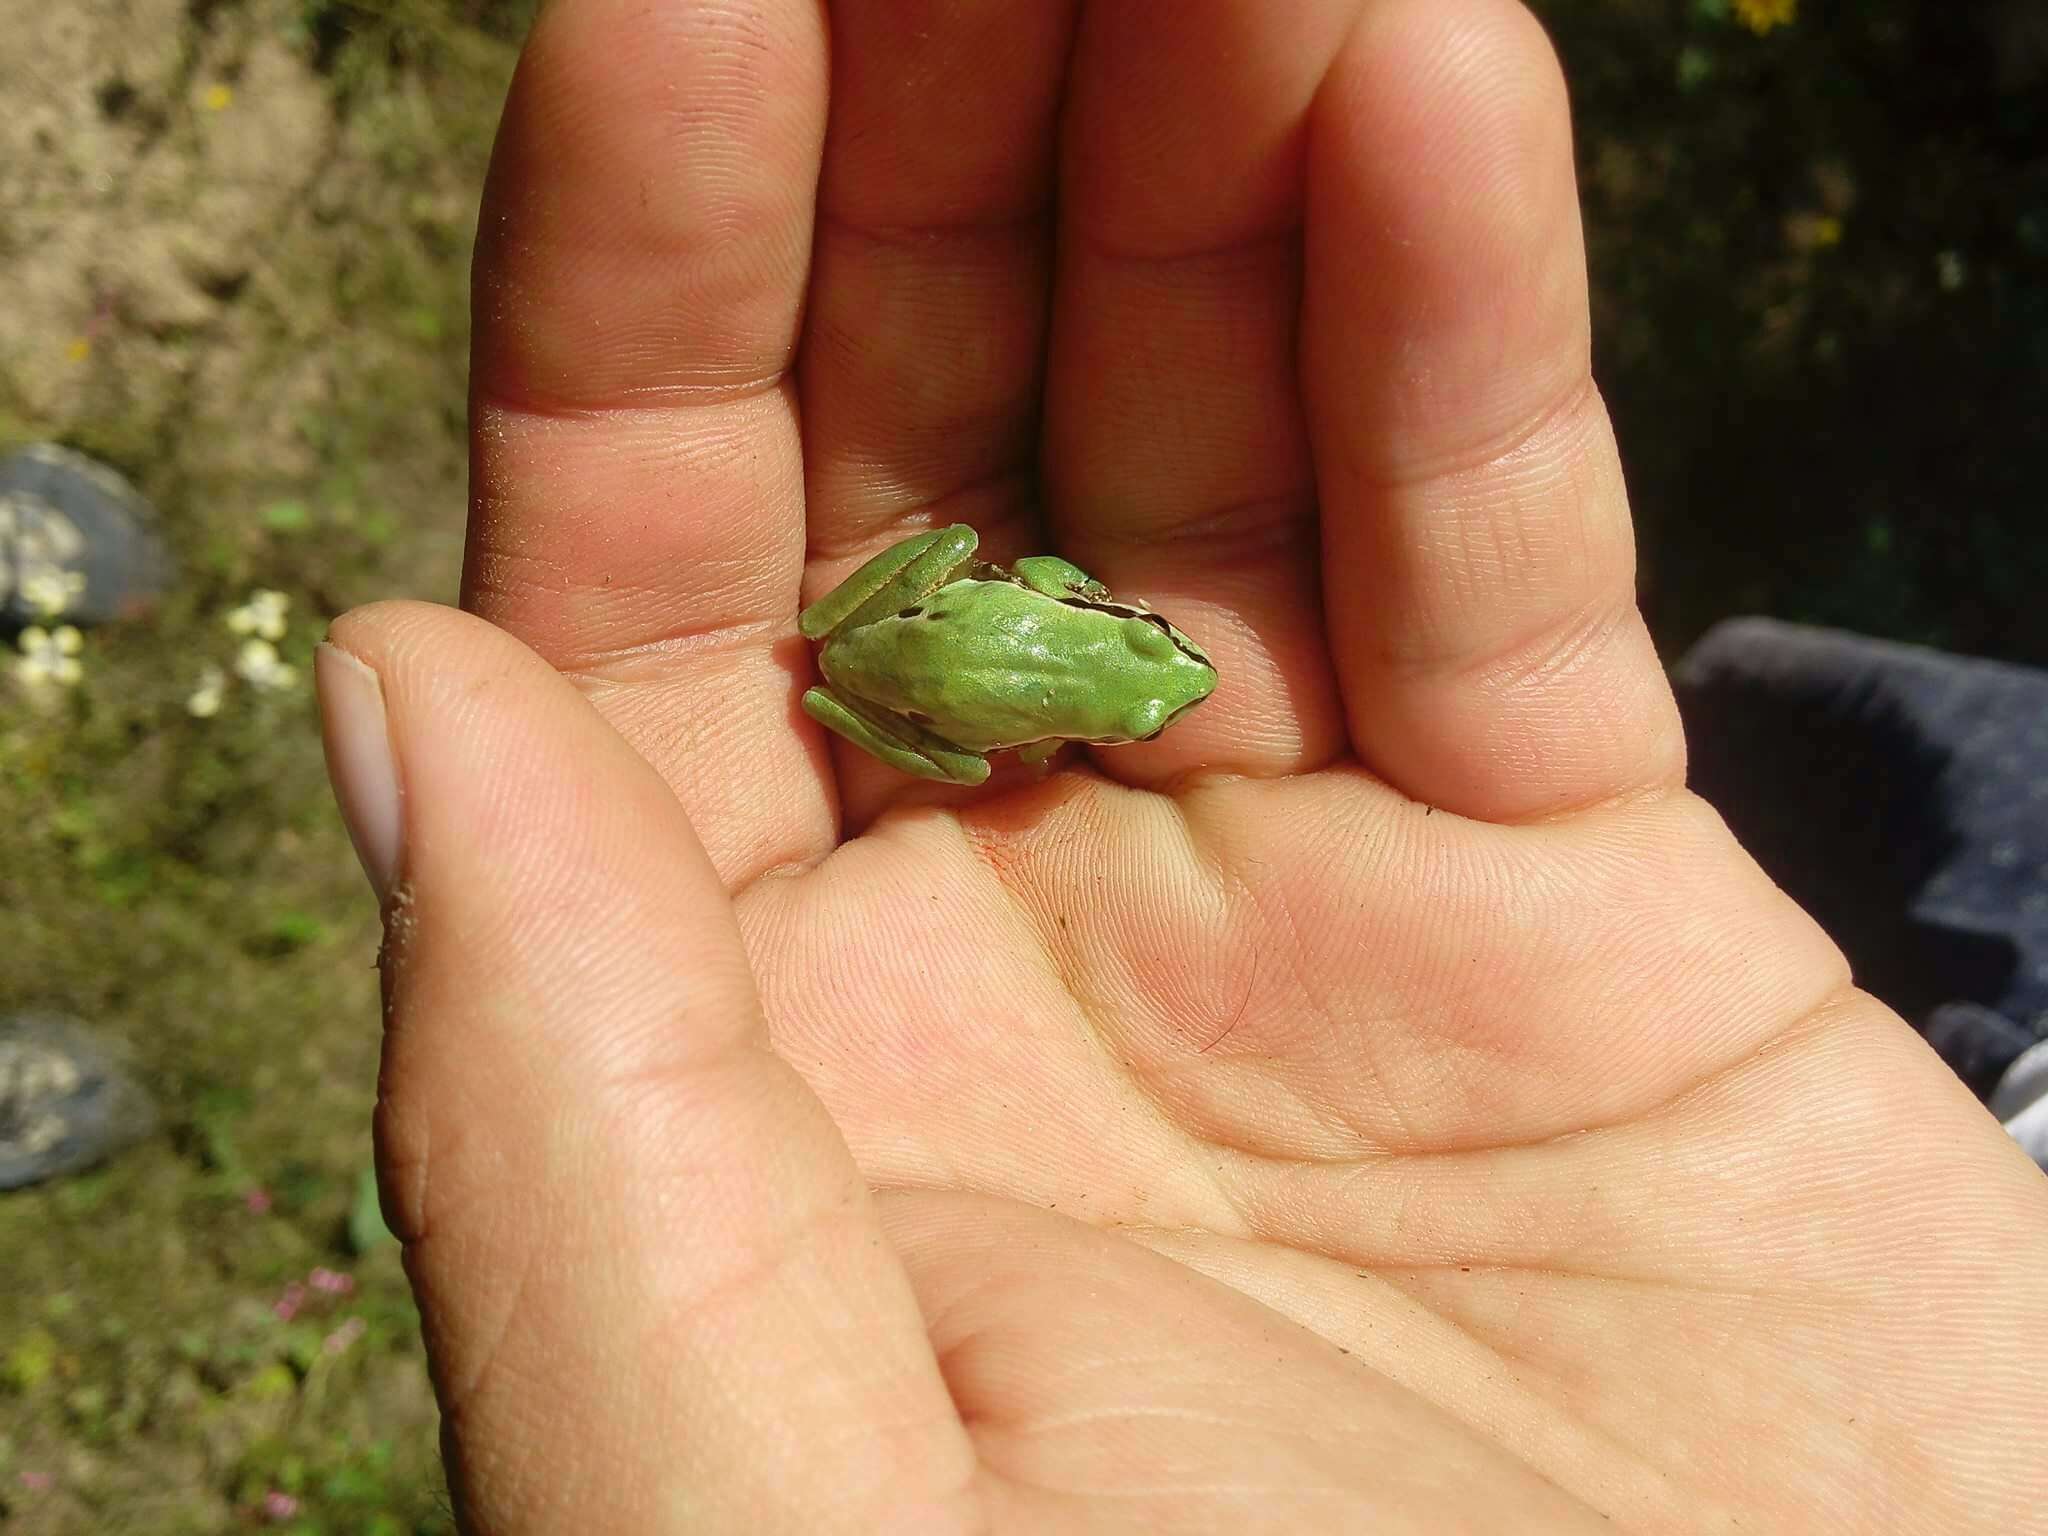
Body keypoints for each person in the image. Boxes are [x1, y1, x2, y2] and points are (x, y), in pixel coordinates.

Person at [313, 0, 2048, 1528]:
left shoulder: (1083, 671)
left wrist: (1020, 645)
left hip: (908, 621)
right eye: (1161, 675)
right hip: (896, 656)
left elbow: (1054, 600)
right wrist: (1028, 701)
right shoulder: (1075, 714)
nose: (1173, 681)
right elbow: (1060, 633)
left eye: (1155, 687)